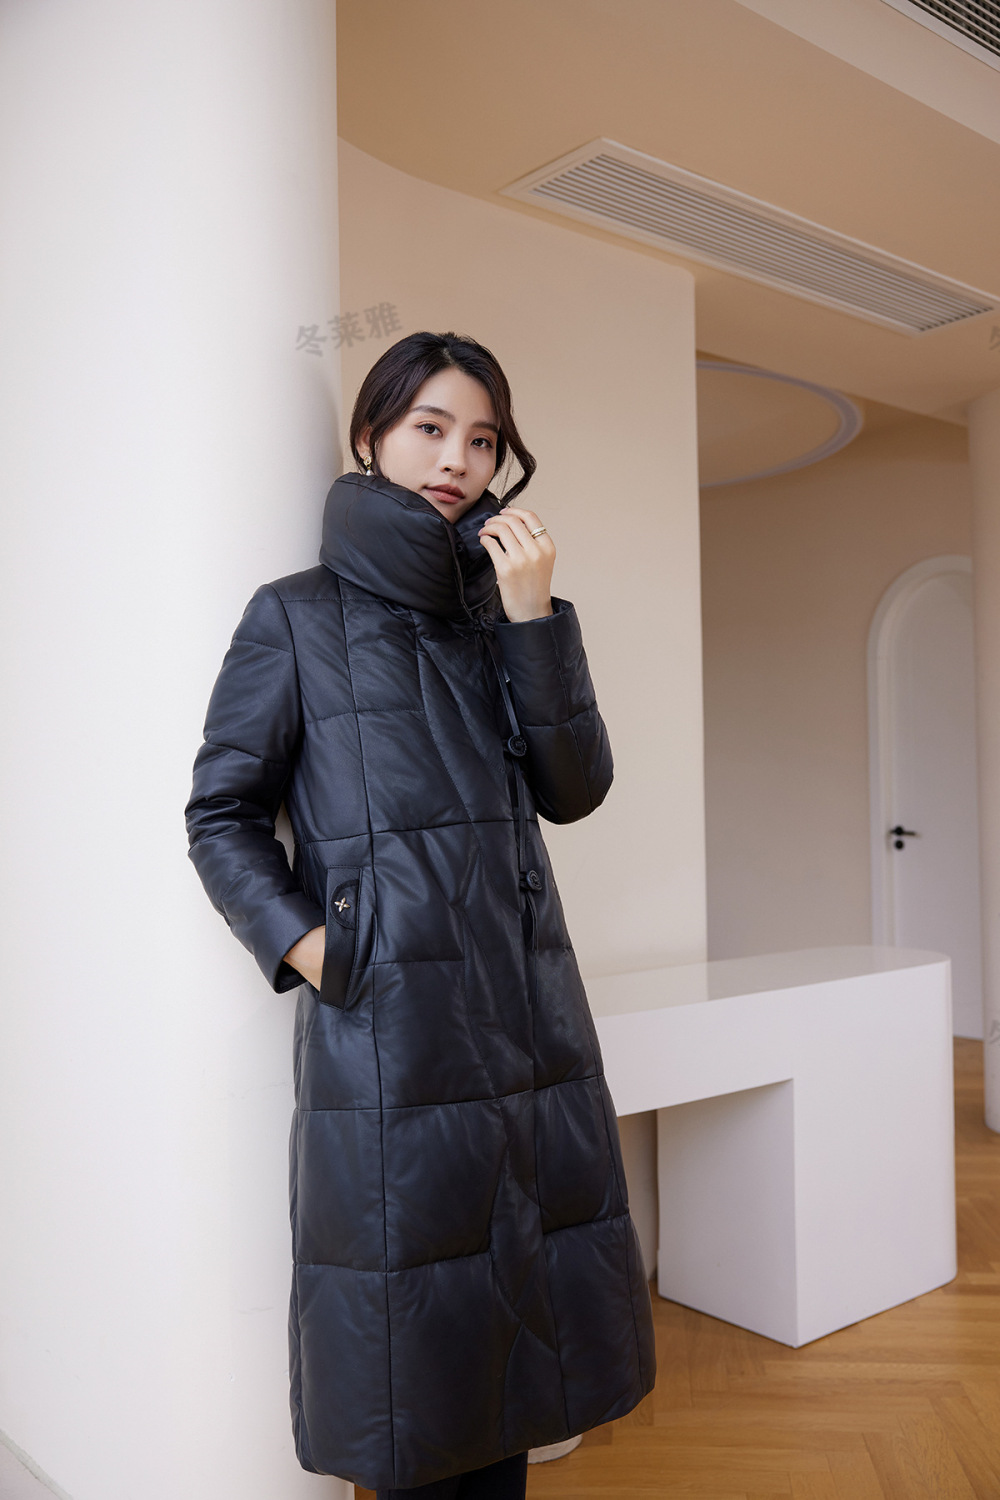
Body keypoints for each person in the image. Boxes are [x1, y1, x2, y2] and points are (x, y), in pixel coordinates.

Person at [184, 331, 655, 1498]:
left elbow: (574, 790)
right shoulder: (295, 616)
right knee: (410, 1364)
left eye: (481, 439)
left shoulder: (504, 611)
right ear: (370, 436)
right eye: (429, 428)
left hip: (528, 1024)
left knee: (520, 1344)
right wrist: (316, 948)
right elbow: (221, 813)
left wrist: (534, 619)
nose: (456, 459)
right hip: (390, 1032)